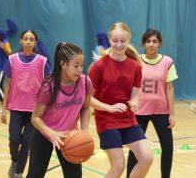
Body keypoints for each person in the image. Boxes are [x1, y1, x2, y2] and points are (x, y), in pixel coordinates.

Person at [89, 22, 153, 178]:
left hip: (128, 120)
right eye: (115, 40)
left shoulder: (135, 67)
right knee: (118, 166)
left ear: (128, 40)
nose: (119, 44)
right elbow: (87, 99)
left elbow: (135, 94)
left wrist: (135, 102)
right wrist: (108, 108)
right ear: (110, 39)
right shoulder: (98, 66)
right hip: (106, 120)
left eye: (123, 41)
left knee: (147, 158)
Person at [26, 42, 93, 178]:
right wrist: (52, 133)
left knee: (74, 176)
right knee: (35, 174)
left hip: (70, 136)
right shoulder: (48, 87)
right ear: (63, 64)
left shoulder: (85, 82)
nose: (80, 70)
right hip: (45, 134)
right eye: (76, 66)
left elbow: (86, 108)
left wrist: (84, 131)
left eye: (82, 65)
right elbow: (35, 118)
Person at [126, 29, 178, 178]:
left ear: (159, 43)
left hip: (161, 111)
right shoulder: (136, 60)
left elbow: (169, 88)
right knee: (136, 149)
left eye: (154, 41)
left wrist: (172, 113)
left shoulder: (167, 62)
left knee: (168, 147)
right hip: (140, 111)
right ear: (143, 44)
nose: (151, 44)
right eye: (148, 41)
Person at [1, 30, 51, 178]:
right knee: (14, 139)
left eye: (31, 39)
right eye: (25, 39)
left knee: (27, 142)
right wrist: (4, 109)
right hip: (16, 108)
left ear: (35, 43)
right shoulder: (12, 59)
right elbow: (8, 85)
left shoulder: (42, 61)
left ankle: (19, 172)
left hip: (34, 111)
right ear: (21, 41)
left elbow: (48, 85)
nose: (28, 41)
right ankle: (14, 160)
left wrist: (47, 108)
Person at [0, 19, 17, 112]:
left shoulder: (5, 42)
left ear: (0, 34)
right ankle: (5, 104)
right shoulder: (2, 41)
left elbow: (10, 53)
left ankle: (5, 106)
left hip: (4, 67)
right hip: (1, 67)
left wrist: (1, 45)